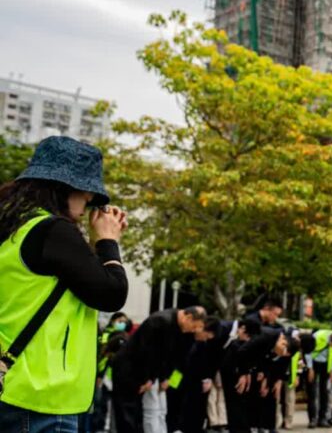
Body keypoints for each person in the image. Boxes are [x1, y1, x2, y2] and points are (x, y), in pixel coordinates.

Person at [0, 136, 129, 433]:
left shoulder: (16, 228)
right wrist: (108, 242)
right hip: (43, 396)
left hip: (12, 384)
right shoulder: (53, 231)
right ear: (66, 190)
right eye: (86, 198)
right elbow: (112, 294)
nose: (86, 209)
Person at [110, 306, 209, 433]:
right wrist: (148, 378)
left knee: (139, 415)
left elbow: (170, 357)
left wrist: (160, 378)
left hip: (150, 372)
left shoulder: (178, 328)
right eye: (194, 326)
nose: (193, 331)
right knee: (128, 414)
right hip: (129, 369)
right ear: (188, 317)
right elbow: (145, 352)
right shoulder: (160, 321)